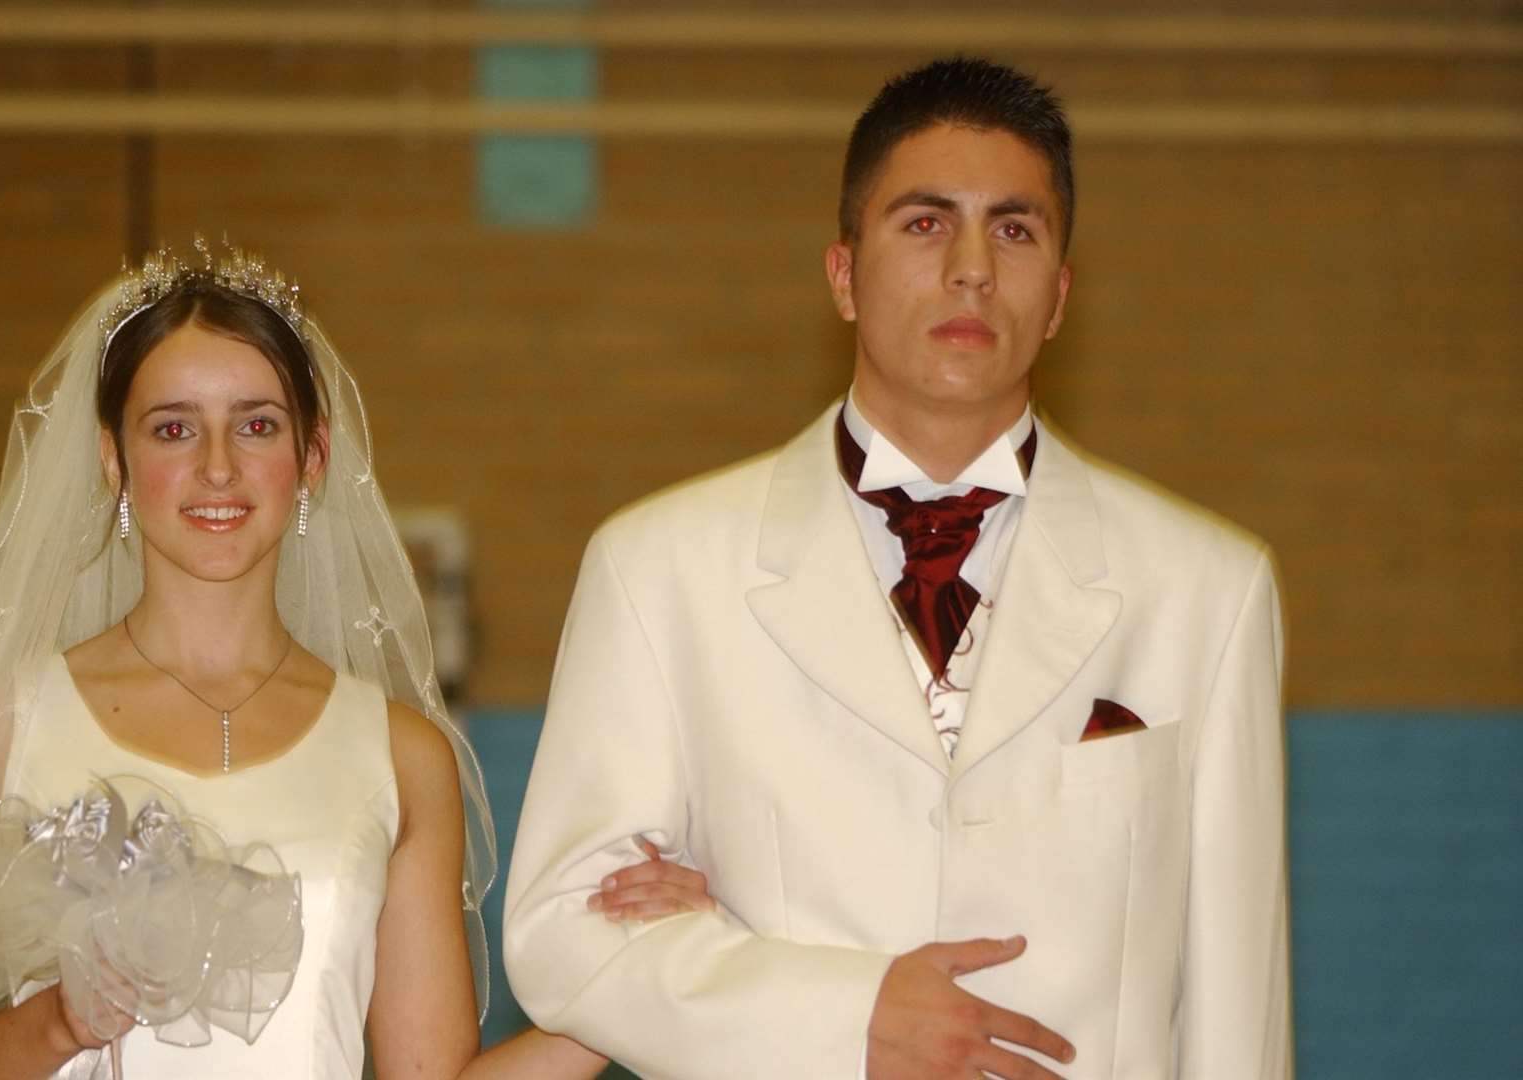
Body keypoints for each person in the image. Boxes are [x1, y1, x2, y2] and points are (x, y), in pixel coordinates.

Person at [503, 56, 1291, 1079]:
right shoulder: (658, 569)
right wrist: (846, 1015)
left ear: (1056, 297)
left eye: (1013, 229)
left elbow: (1239, 1008)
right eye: (924, 223)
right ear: (842, 274)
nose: (971, 266)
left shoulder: (1209, 590)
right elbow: (566, 932)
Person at [0, 244, 712, 1080]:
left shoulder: (401, 754)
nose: (218, 465)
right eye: (173, 428)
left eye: (256, 425)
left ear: (313, 457)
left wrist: (628, 987)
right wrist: (54, 1026)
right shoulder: (4, 719)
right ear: (115, 462)